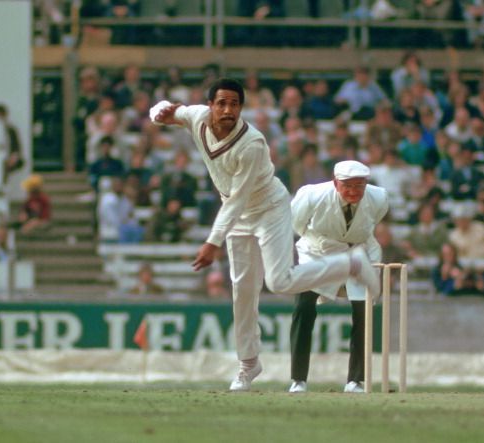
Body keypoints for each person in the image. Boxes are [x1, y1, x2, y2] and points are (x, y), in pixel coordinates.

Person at [150, 78, 380, 391]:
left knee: (279, 281)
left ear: (241, 107)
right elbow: (174, 111)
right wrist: (159, 112)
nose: (228, 109)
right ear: (211, 106)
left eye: (234, 104)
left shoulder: (252, 143)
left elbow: (238, 198)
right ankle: (248, 364)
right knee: (242, 288)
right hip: (238, 214)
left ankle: (350, 265)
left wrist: (212, 242)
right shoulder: (197, 118)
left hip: (269, 207)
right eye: (222, 103)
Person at [288, 160, 389, 394]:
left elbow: (372, 224)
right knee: (304, 306)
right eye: (347, 186)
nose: (354, 191)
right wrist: (324, 243)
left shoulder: (379, 197)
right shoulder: (312, 195)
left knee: (363, 312)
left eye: (359, 186)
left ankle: (355, 380)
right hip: (318, 252)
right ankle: (298, 379)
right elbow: (297, 225)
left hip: (360, 251)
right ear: (335, 183)